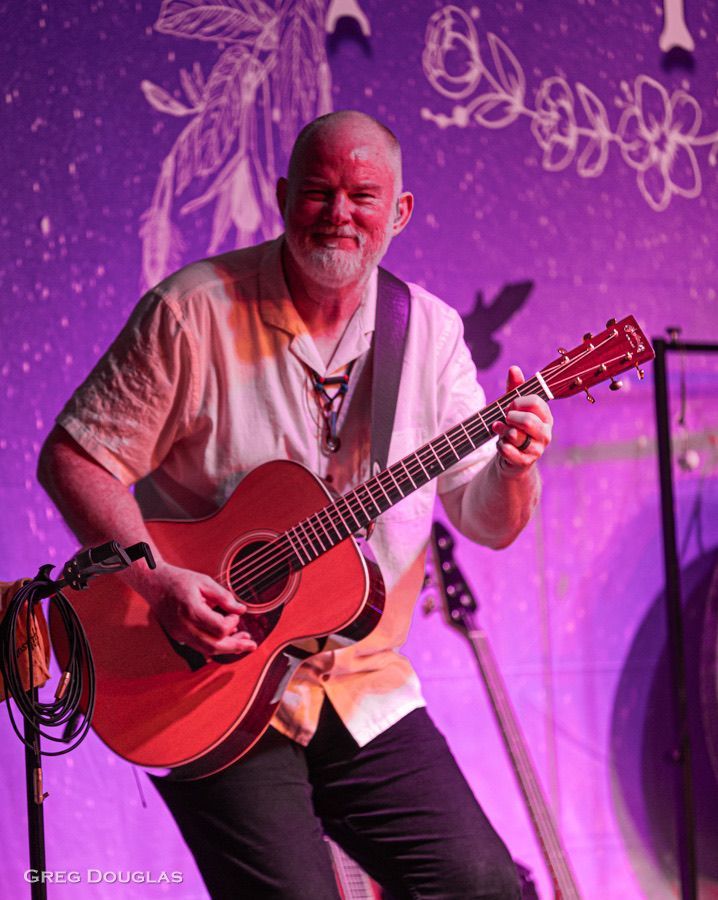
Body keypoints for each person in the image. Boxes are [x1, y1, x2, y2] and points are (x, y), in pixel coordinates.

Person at [38, 110, 553, 899]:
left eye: (362, 196)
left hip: (359, 679)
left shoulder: (433, 335)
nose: (339, 214)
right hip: (208, 679)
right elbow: (75, 459)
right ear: (283, 197)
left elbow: (485, 519)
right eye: (318, 192)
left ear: (400, 213)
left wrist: (514, 469)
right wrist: (156, 582)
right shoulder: (193, 311)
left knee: (484, 885)